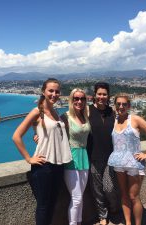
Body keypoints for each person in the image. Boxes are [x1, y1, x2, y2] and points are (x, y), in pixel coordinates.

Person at [12, 78, 72, 225]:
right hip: (43, 166)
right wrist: (29, 158)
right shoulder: (36, 112)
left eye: (57, 91)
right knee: (44, 207)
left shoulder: (55, 111)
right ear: (43, 92)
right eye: (51, 90)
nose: (54, 94)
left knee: (52, 204)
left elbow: (53, 134)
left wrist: (40, 137)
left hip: (58, 164)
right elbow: (16, 136)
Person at [108, 93, 146, 225]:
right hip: (119, 163)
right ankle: (128, 222)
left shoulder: (135, 119)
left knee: (133, 196)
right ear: (115, 106)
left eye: (124, 104)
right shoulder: (114, 120)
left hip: (134, 164)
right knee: (124, 195)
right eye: (118, 104)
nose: (121, 106)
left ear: (129, 106)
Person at [87, 82, 119, 225]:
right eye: (99, 94)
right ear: (94, 95)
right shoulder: (87, 111)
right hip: (93, 157)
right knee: (97, 189)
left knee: (109, 187)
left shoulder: (112, 112)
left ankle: (114, 209)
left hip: (110, 157)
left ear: (108, 96)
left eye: (104, 94)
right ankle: (103, 216)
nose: (101, 97)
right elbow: (67, 120)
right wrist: (39, 132)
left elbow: (126, 124)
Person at [61, 88, 91, 225]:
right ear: (71, 100)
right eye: (76, 99)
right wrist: (36, 135)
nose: (79, 101)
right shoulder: (65, 117)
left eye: (82, 99)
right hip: (71, 158)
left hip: (84, 157)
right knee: (77, 197)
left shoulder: (85, 115)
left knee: (81, 197)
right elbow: (50, 131)